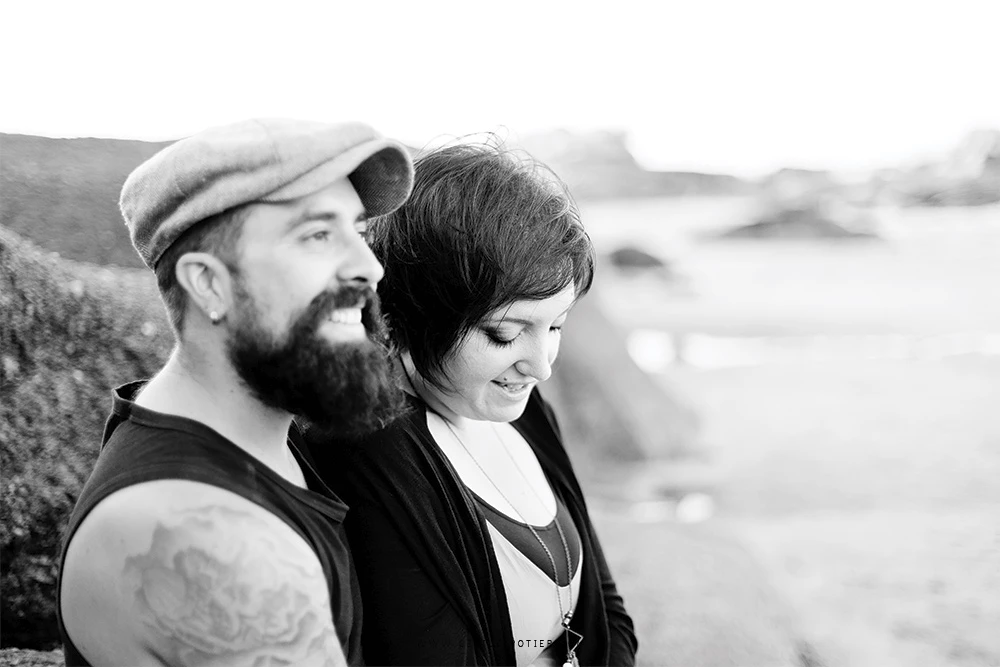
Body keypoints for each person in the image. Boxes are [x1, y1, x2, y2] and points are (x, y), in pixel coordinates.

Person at [57, 118, 414, 667]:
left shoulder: (243, 425)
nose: (369, 267)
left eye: (360, 233)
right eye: (318, 235)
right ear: (208, 284)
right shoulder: (214, 545)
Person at [306, 142, 638, 666]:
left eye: (556, 325)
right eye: (504, 335)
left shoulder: (527, 411)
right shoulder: (372, 449)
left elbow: (608, 608)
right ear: (415, 313)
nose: (541, 365)